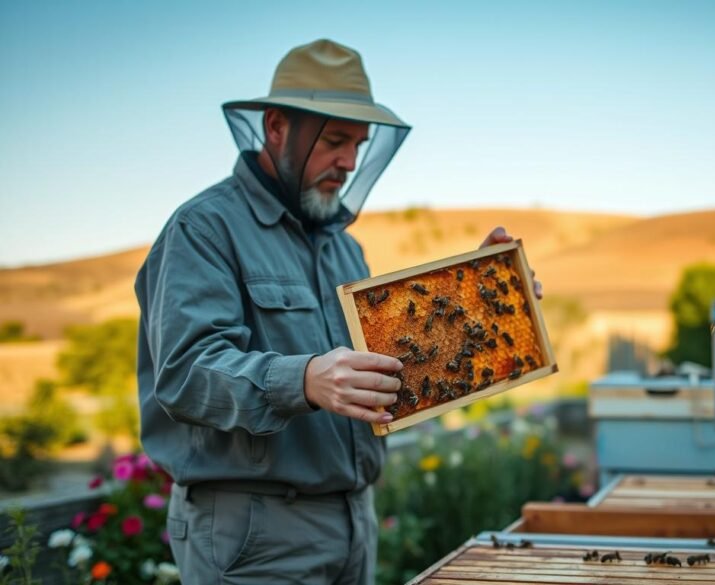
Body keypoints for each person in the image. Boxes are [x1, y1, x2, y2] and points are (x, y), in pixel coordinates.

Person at [135, 39, 541, 584]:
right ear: (277, 127)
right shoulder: (203, 230)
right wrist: (302, 379)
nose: (348, 162)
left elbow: (384, 372)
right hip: (256, 533)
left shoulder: (343, 248)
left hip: (354, 520)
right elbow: (185, 375)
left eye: (358, 144)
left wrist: (479, 302)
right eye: (334, 141)